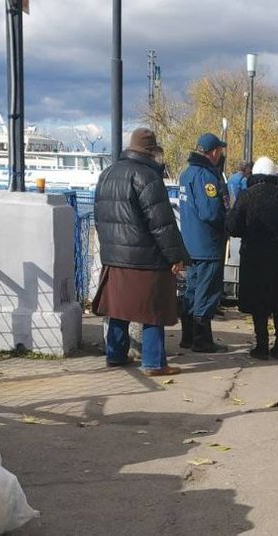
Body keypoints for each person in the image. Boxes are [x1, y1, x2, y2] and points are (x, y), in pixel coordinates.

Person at [92, 128, 189, 376]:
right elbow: (161, 223)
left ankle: (114, 355)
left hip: (114, 257)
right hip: (145, 258)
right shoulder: (147, 176)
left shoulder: (107, 174)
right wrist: (176, 256)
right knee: (152, 310)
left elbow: (99, 217)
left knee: (118, 308)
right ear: (151, 152)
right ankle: (154, 362)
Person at [226, 157, 278, 360]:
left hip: (254, 255)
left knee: (259, 303)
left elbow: (233, 226)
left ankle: (261, 346)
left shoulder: (246, 195)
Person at [179, 133, 229, 353]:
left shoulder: (186, 173)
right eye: (220, 151)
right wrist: (226, 220)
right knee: (207, 291)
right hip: (207, 243)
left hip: (190, 242)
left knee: (192, 288)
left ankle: (188, 336)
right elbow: (210, 211)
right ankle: (202, 340)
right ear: (214, 152)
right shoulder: (205, 176)